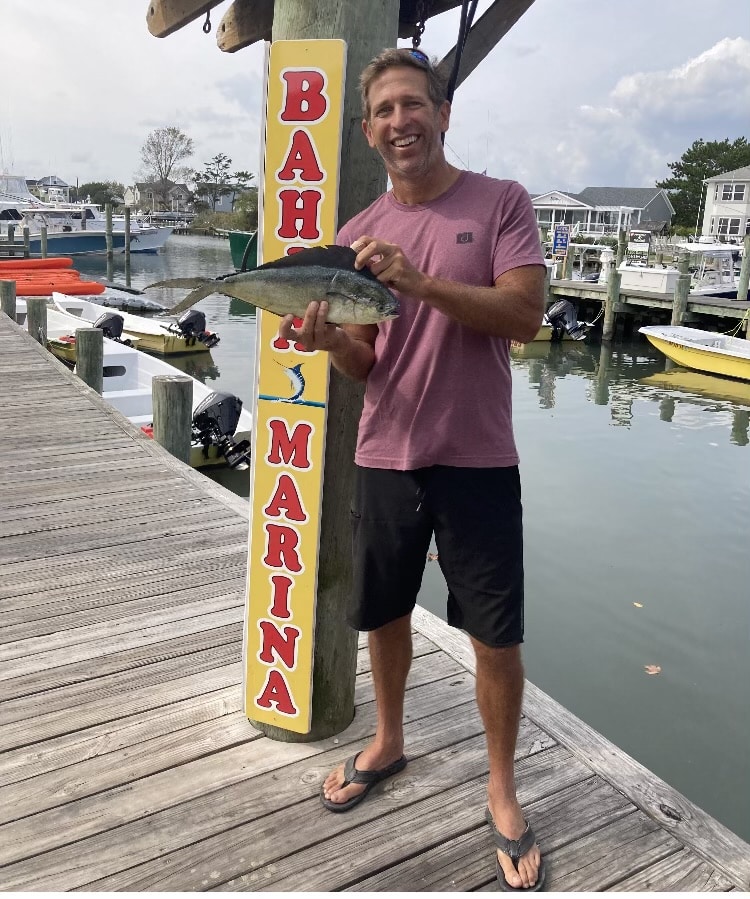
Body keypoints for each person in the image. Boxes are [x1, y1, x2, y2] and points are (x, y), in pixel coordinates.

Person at [278, 47, 546, 891]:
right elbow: (366, 360)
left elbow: (527, 315)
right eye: (385, 110)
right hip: (386, 453)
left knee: (494, 635)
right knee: (384, 612)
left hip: (477, 459)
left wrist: (422, 282)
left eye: (413, 105)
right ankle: (388, 740)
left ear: (443, 112)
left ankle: (502, 788)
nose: (401, 122)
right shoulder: (356, 233)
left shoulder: (501, 203)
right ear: (368, 130)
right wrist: (326, 343)